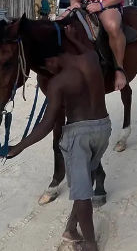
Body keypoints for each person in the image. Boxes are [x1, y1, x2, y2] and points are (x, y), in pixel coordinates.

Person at [7, 26, 111, 251]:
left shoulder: (58, 83)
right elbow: (87, 49)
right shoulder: (90, 59)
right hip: (103, 128)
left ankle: (91, 244)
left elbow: (46, 125)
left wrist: (20, 146)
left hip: (78, 136)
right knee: (88, 179)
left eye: (46, 66)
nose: (47, 70)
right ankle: (71, 228)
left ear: (51, 60)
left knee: (82, 195)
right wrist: (74, 38)